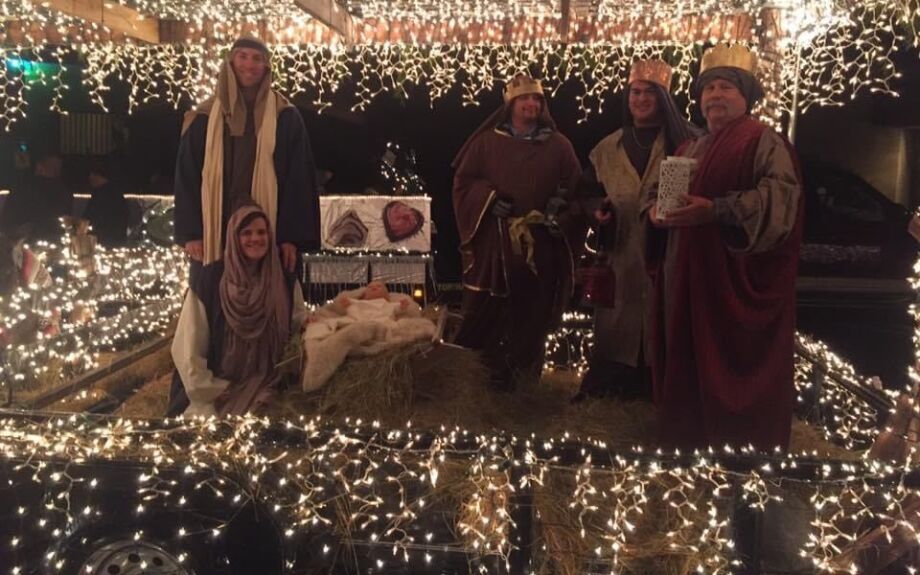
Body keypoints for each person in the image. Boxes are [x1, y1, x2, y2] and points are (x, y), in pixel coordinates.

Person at [645, 44, 804, 451]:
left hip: (727, 287)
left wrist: (716, 210)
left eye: (726, 88)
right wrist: (654, 214)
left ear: (746, 96)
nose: (715, 96)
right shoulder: (688, 148)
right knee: (686, 367)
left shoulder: (765, 141)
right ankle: (685, 447)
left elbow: (778, 202)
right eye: (708, 89)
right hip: (685, 280)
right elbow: (661, 196)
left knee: (723, 371)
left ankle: (735, 460)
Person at [572, 59, 698, 403]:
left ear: (663, 98)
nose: (640, 99)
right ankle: (613, 388)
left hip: (669, 254)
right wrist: (596, 209)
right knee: (616, 325)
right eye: (634, 92)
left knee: (665, 321)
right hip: (621, 255)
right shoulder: (606, 148)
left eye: (649, 93)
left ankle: (662, 389)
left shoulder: (688, 142)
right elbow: (584, 192)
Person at [451, 73, 583, 390]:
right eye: (524, 98)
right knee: (489, 310)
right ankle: (478, 381)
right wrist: (488, 199)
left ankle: (524, 384)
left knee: (533, 313)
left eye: (537, 99)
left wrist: (560, 211)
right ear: (510, 103)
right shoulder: (485, 143)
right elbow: (462, 184)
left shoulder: (559, 146)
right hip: (495, 245)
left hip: (540, 245)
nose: (531, 104)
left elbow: (577, 190)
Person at [173, 36, 320, 280]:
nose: (249, 65)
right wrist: (192, 233)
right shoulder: (204, 118)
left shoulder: (285, 117)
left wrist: (290, 238)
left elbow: (299, 181)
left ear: (267, 67)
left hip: (267, 233)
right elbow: (187, 176)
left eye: (257, 59)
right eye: (242, 56)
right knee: (215, 302)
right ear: (230, 61)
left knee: (269, 299)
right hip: (217, 229)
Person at [168, 203, 306, 417]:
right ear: (233, 238)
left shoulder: (285, 282)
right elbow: (188, 346)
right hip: (219, 388)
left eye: (261, 232)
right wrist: (211, 388)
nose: (255, 239)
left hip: (270, 384)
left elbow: (298, 328)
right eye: (246, 233)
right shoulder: (210, 281)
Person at [1, 150, 72, 242]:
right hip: (50, 238)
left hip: (25, 238)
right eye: (54, 167)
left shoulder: (22, 186)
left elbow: (9, 216)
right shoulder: (62, 189)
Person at [83, 158, 129, 246]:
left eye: (94, 174)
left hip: (104, 240)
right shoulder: (114, 193)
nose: (90, 177)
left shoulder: (104, 195)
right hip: (113, 241)